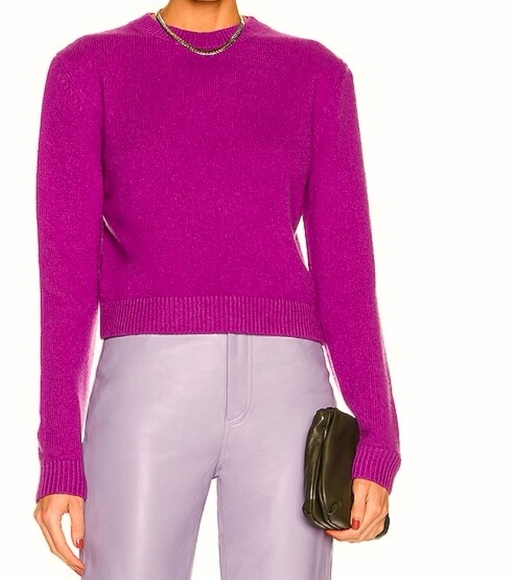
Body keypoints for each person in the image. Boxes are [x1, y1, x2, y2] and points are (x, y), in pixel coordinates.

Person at [32, 1, 402, 578]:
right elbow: (66, 278)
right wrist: (59, 454)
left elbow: (347, 269)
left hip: (289, 395)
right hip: (146, 389)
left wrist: (379, 439)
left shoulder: (318, 74)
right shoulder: (87, 69)